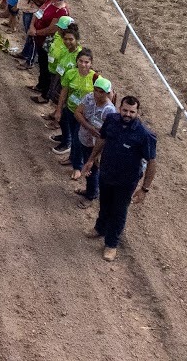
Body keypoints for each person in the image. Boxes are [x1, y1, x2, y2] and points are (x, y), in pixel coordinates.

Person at [83, 95, 157, 261]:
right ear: (119, 108)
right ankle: (100, 228)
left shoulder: (145, 135)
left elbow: (152, 163)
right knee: (104, 203)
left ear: (137, 112)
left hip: (126, 182)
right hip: (106, 173)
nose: (127, 114)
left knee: (118, 211)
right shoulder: (111, 120)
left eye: (132, 112)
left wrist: (144, 189)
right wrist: (91, 159)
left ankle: (111, 244)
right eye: (125, 110)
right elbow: (102, 139)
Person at [74, 76, 116, 203]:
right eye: (96, 90)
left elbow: (106, 135)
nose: (97, 94)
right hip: (84, 137)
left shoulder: (109, 111)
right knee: (89, 168)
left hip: (95, 145)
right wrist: (89, 127)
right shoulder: (89, 98)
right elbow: (77, 112)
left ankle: (91, 194)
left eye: (101, 92)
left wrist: (96, 153)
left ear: (107, 93)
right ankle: (90, 190)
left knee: (92, 169)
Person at [58, 48, 97, 173]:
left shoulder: (95, 78)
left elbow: (104, 95)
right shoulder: (70, 74)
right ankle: (72, 157)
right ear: (77, 61)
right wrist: (59, 109)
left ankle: (77, 167)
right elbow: (64, 93)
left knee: (77, 139)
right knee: (73, 135)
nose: (83, 65)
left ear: (91, 63)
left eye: (86, 62)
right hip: (71, 110)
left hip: (84, 116)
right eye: (81, 61)